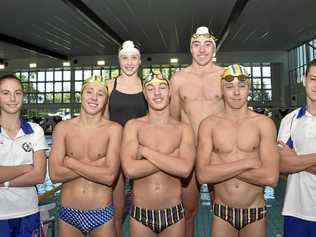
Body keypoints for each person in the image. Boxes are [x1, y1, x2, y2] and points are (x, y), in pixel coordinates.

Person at [196, 64, 279, 237]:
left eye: (241, 86)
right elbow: (203, 175)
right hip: (222, 213)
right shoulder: (208, 125)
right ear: (222, 90)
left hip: (255, 212)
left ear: (248, 88)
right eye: (229, 87)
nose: (236, 92)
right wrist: (247, 163)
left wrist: (220, 166)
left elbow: (271, 177)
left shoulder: (264, 124)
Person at [121, 73, 195, 237]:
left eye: (162, 87)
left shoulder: (183, 129)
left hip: (173, 214)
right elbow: (130, 170)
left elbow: (184, 169)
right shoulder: (133, 126)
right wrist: (172, 159)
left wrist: (146, 151)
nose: (157, 93)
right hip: (141, 214)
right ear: (145, 95)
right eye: (150, 88)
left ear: (170, 92)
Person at [49, 75, 122, 237]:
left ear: (106, 100)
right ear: (80, 95)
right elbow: (54, 175)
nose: (94, 98)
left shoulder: (114, 129)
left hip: (101, 214)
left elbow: (109, 177)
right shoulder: (63, 128)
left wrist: (71, 162)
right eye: (89, 92)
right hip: (69, 214)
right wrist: (98, 166)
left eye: (100, 94)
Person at [170, 26, 225, 236]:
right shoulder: (178, 79)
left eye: (207, 44)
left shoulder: (224, 76)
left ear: (214, 48)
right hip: (189, 154)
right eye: (196, 45)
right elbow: (174, 121)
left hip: (219, 153)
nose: (202, 50)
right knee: (187, 211)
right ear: (190, 49)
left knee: (223, 211)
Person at [106, 40, 148, 237]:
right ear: (119, 60)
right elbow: (104, 123)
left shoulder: (148, 87)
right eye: (125, 58)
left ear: (140, 61)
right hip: (115, 152)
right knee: (117, 209)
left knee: (143, 209)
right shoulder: (109, 85)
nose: (129, 62)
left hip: (141, 154)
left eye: (133, 58)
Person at [0, 74, 47, 237]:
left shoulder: (35, 130)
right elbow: (32, 171)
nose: (12, 98)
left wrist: (4, 182)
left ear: (23, 96)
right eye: (5, 93)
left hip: (28, 213)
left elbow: (39, 176)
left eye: (17, 93)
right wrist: (26, 168)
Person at [277, 59, 316, 237]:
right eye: (313, 79)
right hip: (295, 211)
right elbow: (281, 165)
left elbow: (290, 162)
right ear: (304, 80)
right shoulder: (290, 120)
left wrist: (295, 159)